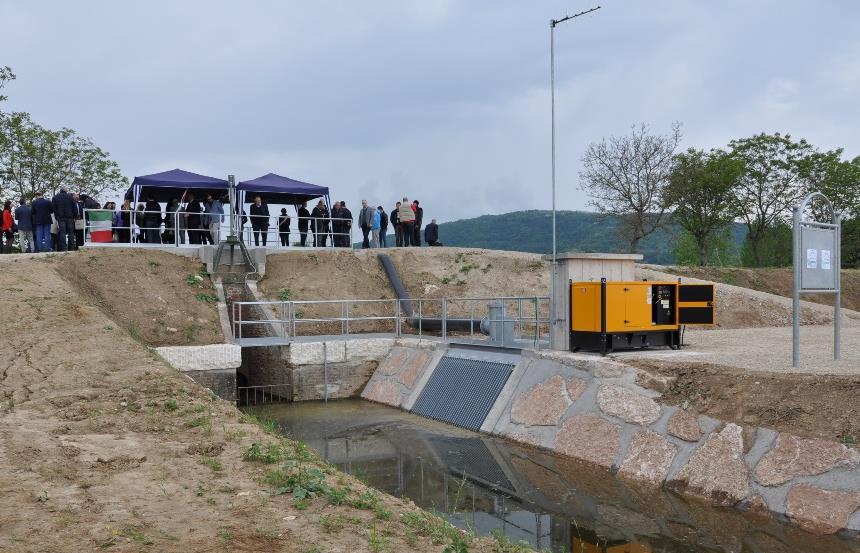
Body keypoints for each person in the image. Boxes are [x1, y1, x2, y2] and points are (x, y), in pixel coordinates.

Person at [51, 186, 77, 251]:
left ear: (60, 190)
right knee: (71, 233)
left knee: (62, 233)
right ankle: (71, 248)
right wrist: (75, 216)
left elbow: (54, 209)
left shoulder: (55, 197)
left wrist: (57, 217)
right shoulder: (70, 197)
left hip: (60, 218)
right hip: (70, 218)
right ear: (66, 191)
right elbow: (74, 207)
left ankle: (64, 248)